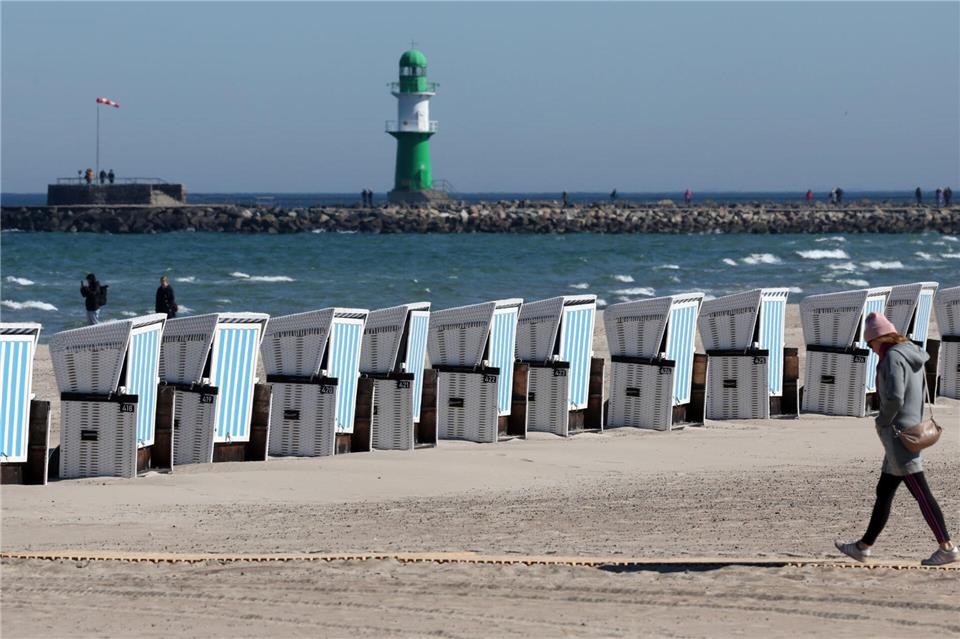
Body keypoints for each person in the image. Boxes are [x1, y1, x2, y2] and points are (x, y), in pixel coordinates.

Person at [835, 312, 958, 566]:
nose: (871, 350)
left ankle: (947, 547)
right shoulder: (910, 351)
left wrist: (882, 421)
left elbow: (894, 397)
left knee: (921, 493)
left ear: (878, 338)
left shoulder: (892, 357)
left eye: (870, 345)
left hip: (898, 434)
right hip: (911, 428)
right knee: (885, 491)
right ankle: (863, 546)